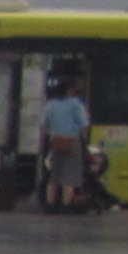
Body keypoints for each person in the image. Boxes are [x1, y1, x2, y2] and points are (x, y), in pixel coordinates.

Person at [37, 74, 92, 215]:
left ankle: (50, 204)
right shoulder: (75, 104)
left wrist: (44, 141)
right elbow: (83, 125)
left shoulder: (51, 105)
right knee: (70, 175)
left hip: (55, 142)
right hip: (72, 141)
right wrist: (84, 138)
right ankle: (66, 205)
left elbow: (44, 126)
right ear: (69, 91)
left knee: (54, 175)